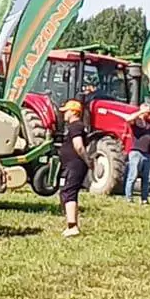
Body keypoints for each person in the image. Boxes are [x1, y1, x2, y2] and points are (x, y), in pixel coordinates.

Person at [57, 98, 90, 237]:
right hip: (71, 164)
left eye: (66, 111)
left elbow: (79, 146)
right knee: (66, 191)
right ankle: (70, 223)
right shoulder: (74, 126)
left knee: (69, 191)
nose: (64, 114)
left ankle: (73, 226)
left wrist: (87, 161)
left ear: (74, 112)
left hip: (75, 164)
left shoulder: (76, 126)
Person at [122, 103, 150, 204]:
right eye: (146, 111)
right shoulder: (136, 121)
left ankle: (144, 199)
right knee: (133, 175)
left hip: (148, 152)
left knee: (146, 178)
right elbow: (128, 119)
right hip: (136, 152)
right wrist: (141, 112)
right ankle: (129, 197)